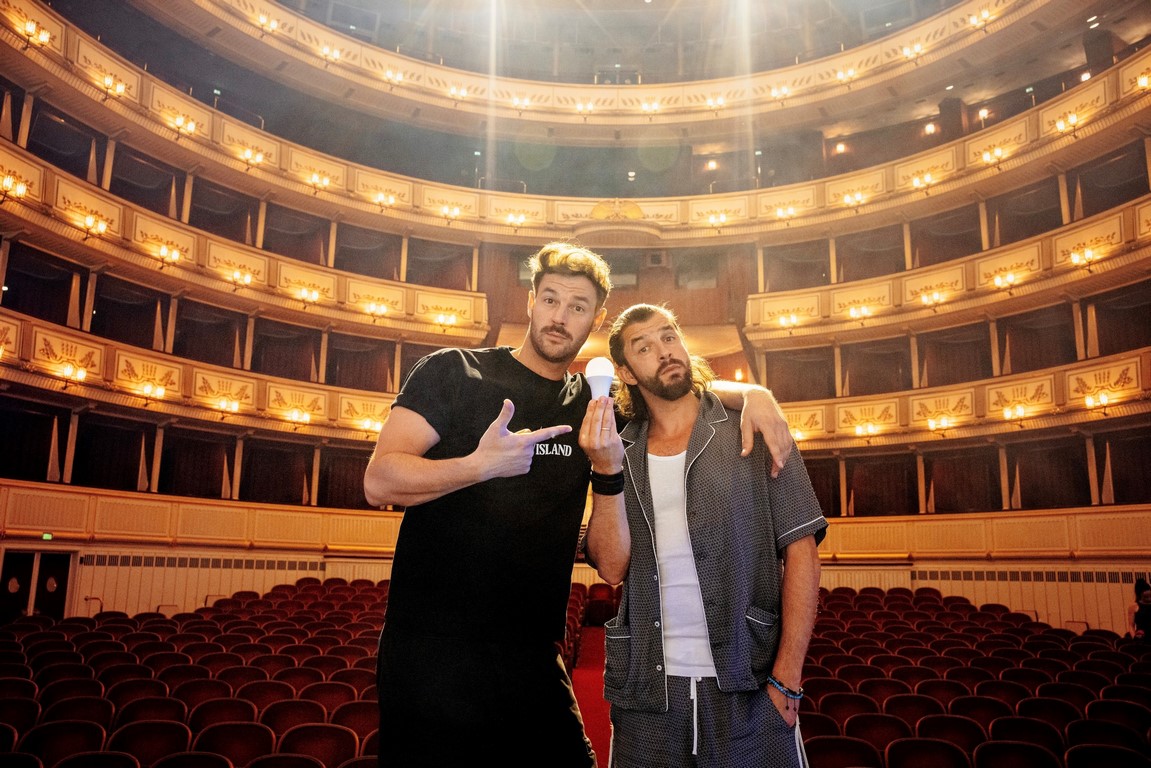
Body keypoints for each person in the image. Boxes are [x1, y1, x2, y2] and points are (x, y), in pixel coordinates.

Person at [363, 243, 794, 767]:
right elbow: (380, 480)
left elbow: (671, 390)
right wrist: (479, 464)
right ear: (530, 301)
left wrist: (754, 394)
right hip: (432, 652)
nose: (559, 317)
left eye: (577, 307)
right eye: (550, 299)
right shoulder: (455, 370)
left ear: (596, 318)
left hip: (533, 657)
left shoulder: (594, 405)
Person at [583, 302, 828, 768]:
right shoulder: (620, 448)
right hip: (646, 693)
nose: (665, 351)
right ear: (626, 372)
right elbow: (611, 568)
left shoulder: (752, 424)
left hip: (749, 681)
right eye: (645, 347)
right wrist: (605, 470)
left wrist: (788, 677)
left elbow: (802, 551)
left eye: (669, 336)